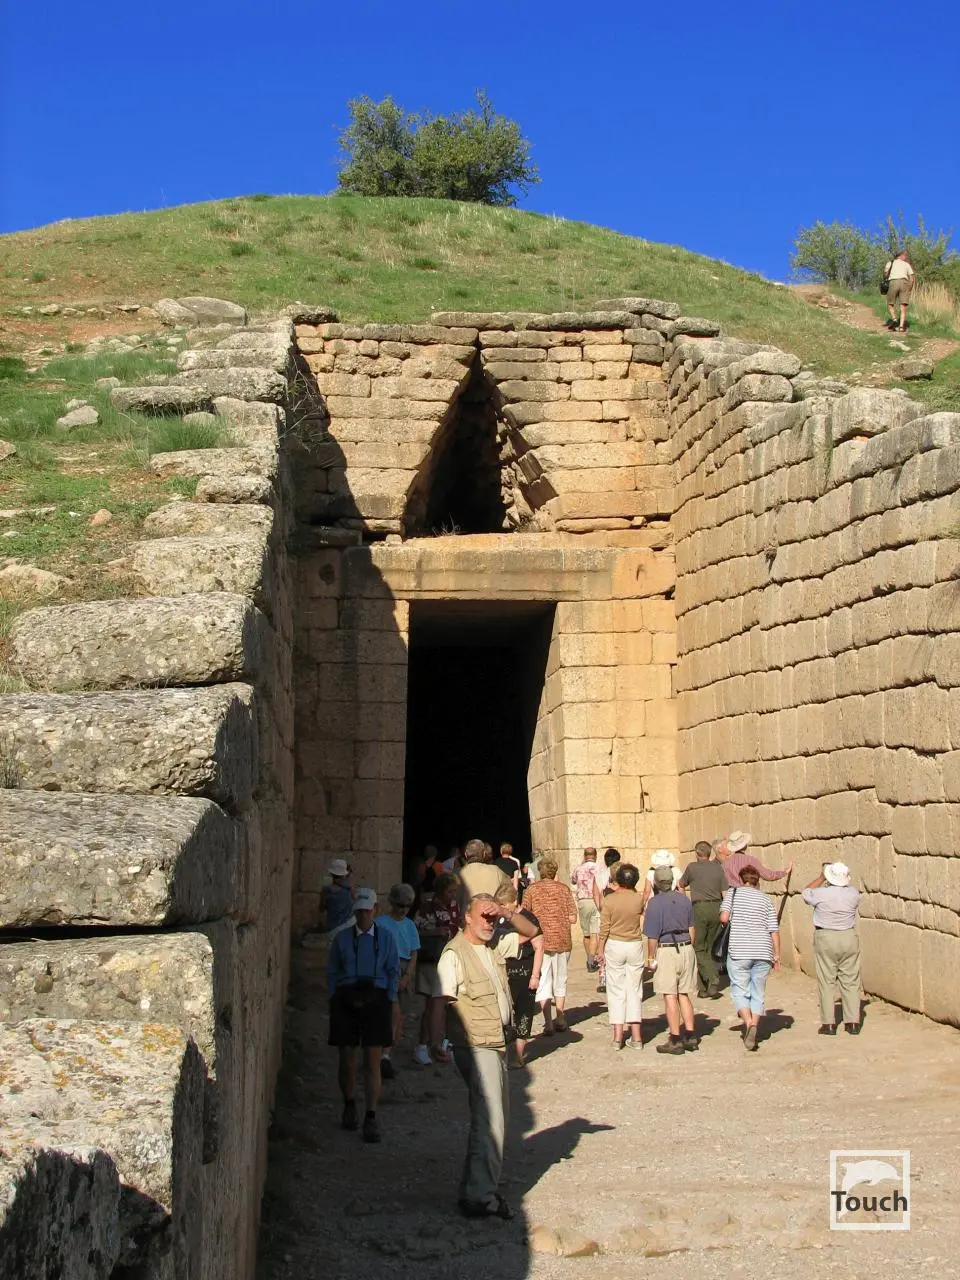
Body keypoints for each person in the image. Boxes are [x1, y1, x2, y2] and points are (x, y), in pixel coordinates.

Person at [438, 891, 539, 1219]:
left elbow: (531, 932)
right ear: (466, 917)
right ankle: (480, 1196)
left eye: (492, 918)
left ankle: (476, 1187)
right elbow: (442, 1001)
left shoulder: (495, 943)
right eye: (483, 916)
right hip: (475, 1044)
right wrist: (438, 1042)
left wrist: (506, 912)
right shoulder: (454, 954)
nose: (489, 922)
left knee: (492, 1117)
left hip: (495, 1043)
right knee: (491, 1118)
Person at [327, 887, 400, 1143]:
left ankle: (371, 1114)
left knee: (372, 1060)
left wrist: (390, 1000)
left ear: (375, 910)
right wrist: (334, 997)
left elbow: (393, 970)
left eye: (367, 911)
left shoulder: (386, 939)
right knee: (347, 1058)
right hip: (347, 995)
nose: (363, 916)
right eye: (360, 911)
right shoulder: (342, 939)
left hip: (376, 998)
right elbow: (332, 970)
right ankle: (349, 1103)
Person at [719, 864, 781, 1051]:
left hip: (740, 950)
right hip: (763, 951)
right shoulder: (766, 899)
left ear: (741, 878)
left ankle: (748, 1023)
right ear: (757, 880)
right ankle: (755, 1022)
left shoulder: (733, 894)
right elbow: (773, 929)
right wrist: (777, 954)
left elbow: (724, 918)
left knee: (740, 989)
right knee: (758, 992)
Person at [643, 866, 699, 1055]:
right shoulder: (684, 900)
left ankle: (675, 1039)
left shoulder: (654, 903)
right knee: (684, 994)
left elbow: (652, 937)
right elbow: (692, 929)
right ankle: (690, 1035)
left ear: (656, 883)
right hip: (686, 947)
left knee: (670, 995)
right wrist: (689, 948)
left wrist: (651, 958)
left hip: (667, 949)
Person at [802, 862, 862, 1036]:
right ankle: (852, 1022)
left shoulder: (820, 893)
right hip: (848, 936)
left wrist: (821, 877)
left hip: (826, 937)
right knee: (850, 980)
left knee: (827, 981)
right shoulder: (853, 893)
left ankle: (828, 1024)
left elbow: (806, 892)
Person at [521, 856, 577, 1035]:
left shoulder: (531, 890)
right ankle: (560, 1017)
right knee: (561, 979)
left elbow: (524, 915)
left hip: (540, 940)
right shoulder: (564, 889)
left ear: (540, 872)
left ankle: (548, 1022)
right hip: (562, 939)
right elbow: (573, 918)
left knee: (543, 979)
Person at [413, 872, 461, 1065]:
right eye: (450, 891)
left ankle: (442, 1044)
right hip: (432, 961)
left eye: (454, 891)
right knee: (431, 1005)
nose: (453, 895)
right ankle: (424, 1046)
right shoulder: (427, 907)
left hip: (449, 959)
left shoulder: (454, 906)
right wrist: (435, 931)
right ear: (441, 890)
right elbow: (415, 931)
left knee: (446, 1005)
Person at [598, 863, 646, 1050]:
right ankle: (637, 1037)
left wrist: (600, 949)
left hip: (615, 944)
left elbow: (605, 927)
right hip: (634, 944)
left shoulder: (609, 900)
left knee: (616, 991)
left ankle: (618, 1037)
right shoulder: (638, 899)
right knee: (635, 990)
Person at [494, 885, 543, 1069]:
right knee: (504, 1013)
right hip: (504, 971)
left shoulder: (529, 919)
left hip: (524, 970)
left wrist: (535, 975)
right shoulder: (500, 919)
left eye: (504, 904)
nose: (501, 908)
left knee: (523, 1012)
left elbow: (539, 946)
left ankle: (519, 1056)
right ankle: (503, 1054)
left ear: (515, 901)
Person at [375, 883, 420, 1078]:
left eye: (408, 906)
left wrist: (408, 975)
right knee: (389, 1013)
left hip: (404, 969)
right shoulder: (381, 923)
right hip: (385, 969)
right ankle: (382, 1055)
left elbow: (414, 952)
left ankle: (387, 1054)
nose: (404, 910)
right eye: (401, 905)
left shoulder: (409, 925)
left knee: (399, 1015)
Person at [678, 841, 727, 998]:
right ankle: (704, 988)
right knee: (709, 947)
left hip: (699, 908)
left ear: (697, 853)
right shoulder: (718, 868)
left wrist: (684, 901)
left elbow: (680, 884)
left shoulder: (692, 867)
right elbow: (725, 892)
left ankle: (712, 978)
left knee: (698, 947)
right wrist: (725, 911)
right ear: (710, 853)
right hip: (717, 907)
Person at [715, 831, 792, 889]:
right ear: (744, 845)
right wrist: (784, 872)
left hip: (732, 899)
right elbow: (768, 875)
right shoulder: (750, 860)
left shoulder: (725, 864)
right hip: (749, 896)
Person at [592, 848, 622, 993]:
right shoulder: (622, 874)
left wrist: (600, 908)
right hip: (619, 913)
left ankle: (603, 976)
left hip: (603, 913)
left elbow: (595, 894)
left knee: (602, 944)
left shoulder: (599, 875)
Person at [571, 847, 601, 971]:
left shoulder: (578, 868)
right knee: (595, 933)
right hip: (596, 900)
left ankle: (589, 959)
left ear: (585, 855)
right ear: (595, 855)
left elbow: (573, 880)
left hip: (583, 901)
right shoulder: (599, 868)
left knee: (586, 934)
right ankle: (591, 961)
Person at [459, 838, 513, 906]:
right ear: (484, 854)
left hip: (464, 912)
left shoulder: (455, 874)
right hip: (491, 911)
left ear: (466, 854)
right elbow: (510, 892)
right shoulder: (496, 871)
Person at [320, 858, 354, 935]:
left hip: (333, 929)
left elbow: (321, 909)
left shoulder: (326, 890)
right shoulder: (348, 889)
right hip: (347, 928)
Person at [884, 249, 916, 333]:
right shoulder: (907, 264)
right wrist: (909, 288)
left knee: (890, 303)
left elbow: (885, 274)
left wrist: (887, 275)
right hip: (904, 283)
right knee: (903, 306)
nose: (906, 257)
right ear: (901, 256)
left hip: (893, 282)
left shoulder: (890, 263)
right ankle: (901, 327)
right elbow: (912, 278)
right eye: (905, 255)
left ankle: (894, 320)